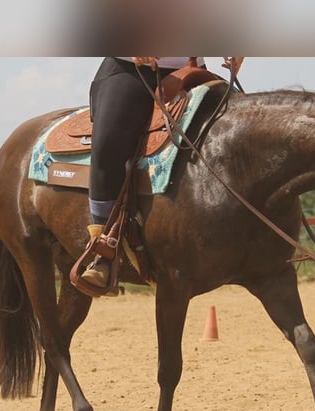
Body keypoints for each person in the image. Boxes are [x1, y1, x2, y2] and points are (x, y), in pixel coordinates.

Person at [80, 56, 244, 291]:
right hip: (131, 68)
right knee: (108, 144)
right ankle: (104, 248)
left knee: (240, 136)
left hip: (193, 70)